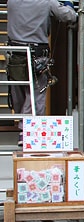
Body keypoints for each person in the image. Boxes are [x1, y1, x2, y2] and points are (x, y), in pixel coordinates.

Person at [7, 0, 77, 146]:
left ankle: (23, 126)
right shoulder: (46, 2)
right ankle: (27, 131)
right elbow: (70, 16)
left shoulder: (12, 2)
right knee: (36, 94)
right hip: (37, 54)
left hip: (14, 53)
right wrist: (68, 4)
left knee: (18, 91)